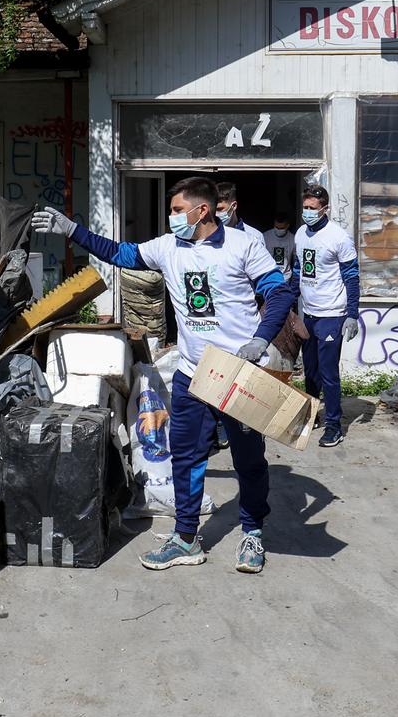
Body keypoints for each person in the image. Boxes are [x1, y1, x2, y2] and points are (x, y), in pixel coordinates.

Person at [31, 177, 292, 574]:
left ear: (200, 211)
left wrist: (261, 338)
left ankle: (252, 531)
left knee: (249, 460)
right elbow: (120, 253)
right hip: (191, 374)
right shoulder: (167, 247)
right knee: (185, 458)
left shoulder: (244, 245)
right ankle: (186, 537)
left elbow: (280, 292)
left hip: (236, 372)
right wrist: (73, 232)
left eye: (175, 210)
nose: (171, 217)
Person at [289, 186, 360, 447]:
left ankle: (334, 425)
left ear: (325, 209)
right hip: (309, 313)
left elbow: (352, 277)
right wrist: (288, 303)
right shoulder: (300, 234)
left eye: (312, 208)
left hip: (332, 314)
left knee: (329, 373)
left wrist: (352, 314)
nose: (307, 213)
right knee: (311, 371)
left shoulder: (338, 237)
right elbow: (298, 272)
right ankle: (311, 416)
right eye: (305, 208)